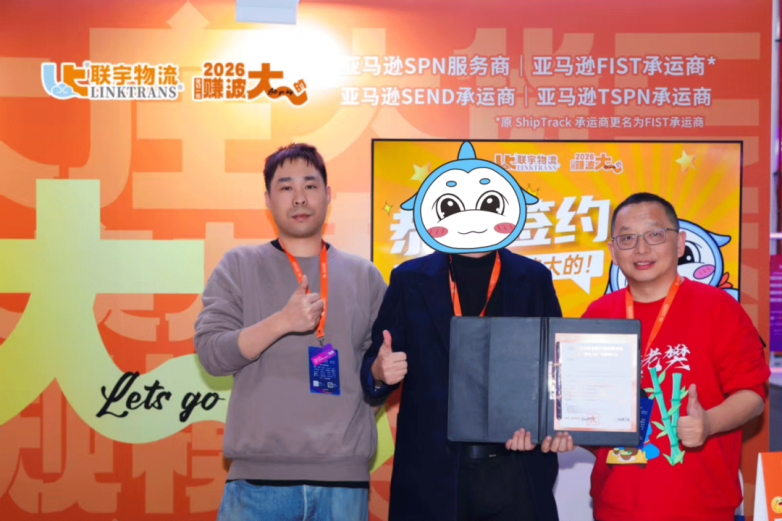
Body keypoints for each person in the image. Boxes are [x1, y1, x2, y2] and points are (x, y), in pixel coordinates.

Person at [194, 143, 387, 521]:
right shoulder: (239, 265)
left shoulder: (364, 275)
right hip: (258, 482)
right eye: (286, 187)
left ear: (328, 195)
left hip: (343, 481)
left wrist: (367, 395)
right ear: (267, 199)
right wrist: (281, 322)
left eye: (310, 186)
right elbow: (212, 354)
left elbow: (376, 373)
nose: (299, 198)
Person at [582, 192, 769, 521]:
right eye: (627, 238)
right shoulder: (598, 314)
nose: (641, 249)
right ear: (613, 251)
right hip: (616, 505)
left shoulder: (719, 308)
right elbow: (580, 404)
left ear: (680, 243)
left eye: (655, 234)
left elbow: (752, 396)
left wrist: (709, 423)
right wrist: (567, 430)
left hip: (702, 506)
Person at [362, 247, 573, 521]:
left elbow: (556, 366)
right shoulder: (409, 278)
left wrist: (554, 426)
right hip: (431, 474)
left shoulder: (533, 277)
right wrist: (379, 372)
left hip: (518, 468)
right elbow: (375, 363)